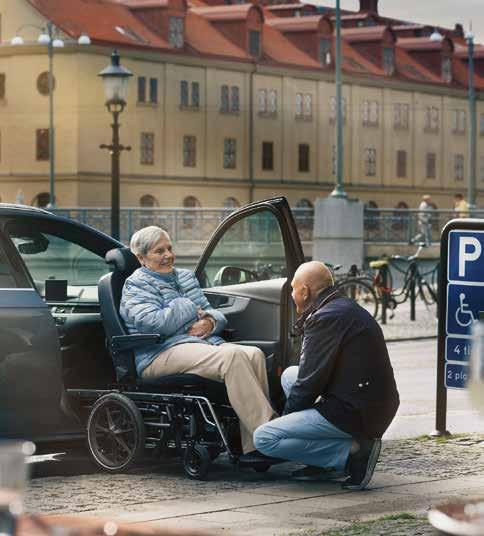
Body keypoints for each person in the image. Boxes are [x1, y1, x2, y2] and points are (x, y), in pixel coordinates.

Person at [120, 226, 277, 459]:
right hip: (158, 352)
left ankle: (253, 444)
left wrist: (211, 323)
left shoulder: (184, 277)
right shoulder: (136, 284)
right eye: (159, 251)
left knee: (254, 353)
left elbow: (213, 313)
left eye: (170, 248)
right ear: (141, 258)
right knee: (232, 357)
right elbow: (154, 324)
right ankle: (271, 437)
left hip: (197, 343)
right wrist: (188, 307)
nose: (168, 255)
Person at [254, 261, 400, 490]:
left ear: (304, 291)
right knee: (289, 375)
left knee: (264, 438)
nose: (292, 294)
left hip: (356, 411)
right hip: (370, 400)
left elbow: (309, 383)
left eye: (293, 288)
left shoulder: (325, 318)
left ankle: (353, 453)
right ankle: (322, 462)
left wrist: (284, 421)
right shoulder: (341, 307)